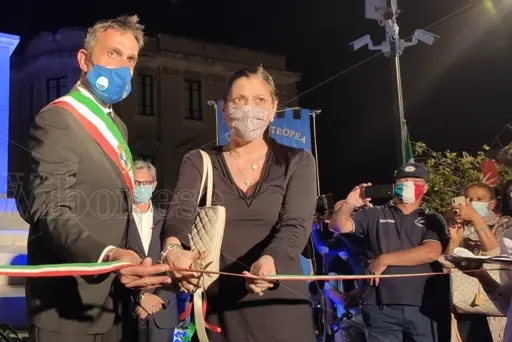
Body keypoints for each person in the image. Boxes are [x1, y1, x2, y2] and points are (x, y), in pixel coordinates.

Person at [16, 15, 172, 342]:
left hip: (113, 301)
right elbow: (50, 211)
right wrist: (106, 255)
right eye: (113, 54)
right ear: (85, 61)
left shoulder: (119, 128)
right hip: (67, 305)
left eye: (130, 59)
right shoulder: (58, 118)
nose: (123, 68)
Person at [160, 66, 318, 342]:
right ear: (224, 109)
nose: (249, 109)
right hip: (220, 311)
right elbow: (179, 214)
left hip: (280, 306)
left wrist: (271, 260)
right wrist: (173, 249)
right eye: (238, 100)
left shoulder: (298, 161)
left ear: (273, 109)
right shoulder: (199, 161)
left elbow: (296, 225)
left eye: (259, 100)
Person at [329, 163, 450, 342]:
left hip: (425, 306)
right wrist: (349, 204)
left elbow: (431, 252)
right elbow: (337, 226)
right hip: (379, 306)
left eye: (415, 181)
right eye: (403, 180)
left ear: (425, 188)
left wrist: (384, 259)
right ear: (395, 185)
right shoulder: (373, 214)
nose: (408, 184)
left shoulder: (431, 219)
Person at [446, 182, 512, 341]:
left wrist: (476, 219)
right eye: (469, 199)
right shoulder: (460, 226)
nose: (473, 203)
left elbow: (496, 256)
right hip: (466, 304)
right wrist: (454, 239)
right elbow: (447, 264)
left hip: (495, 307)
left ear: (492, 204)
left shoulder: (505, 225)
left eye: (479, 199)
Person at [122, 161, 178, 342]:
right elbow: (111, 266)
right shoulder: (118, 220)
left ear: (154, 186)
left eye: (146, 183)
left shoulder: (167, 219)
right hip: (127, 312)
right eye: (137, 183)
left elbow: (174, 264)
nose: (141, 187)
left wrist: (154, 299)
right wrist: (139, 297)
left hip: (162, 310)